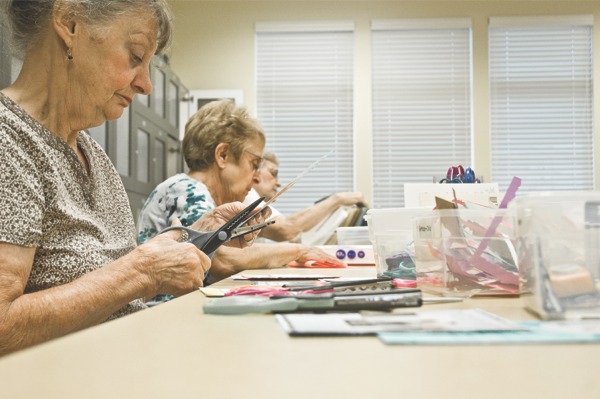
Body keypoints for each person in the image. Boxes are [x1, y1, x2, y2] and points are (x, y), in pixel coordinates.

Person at [0, 0, 264, 356]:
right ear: (69, 22)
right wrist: (141, 273)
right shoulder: (9, 140)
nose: (146, 85)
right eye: (136, 56)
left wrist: (193, 235)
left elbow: (107, 279)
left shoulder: (93, 154)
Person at [138, 100, 346, 297]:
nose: (256, 176)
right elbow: (223, 261)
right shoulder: (187, 190)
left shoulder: (192, 191)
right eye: (254, 163)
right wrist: (299, 251)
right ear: (223, 155)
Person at [245, 151, 368, 242]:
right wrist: (338, 199)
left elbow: (290, 225)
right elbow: (286, 228)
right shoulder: (248, 195)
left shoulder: (256, 201)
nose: (279, 183)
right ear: (255, 172)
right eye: (274, 173)